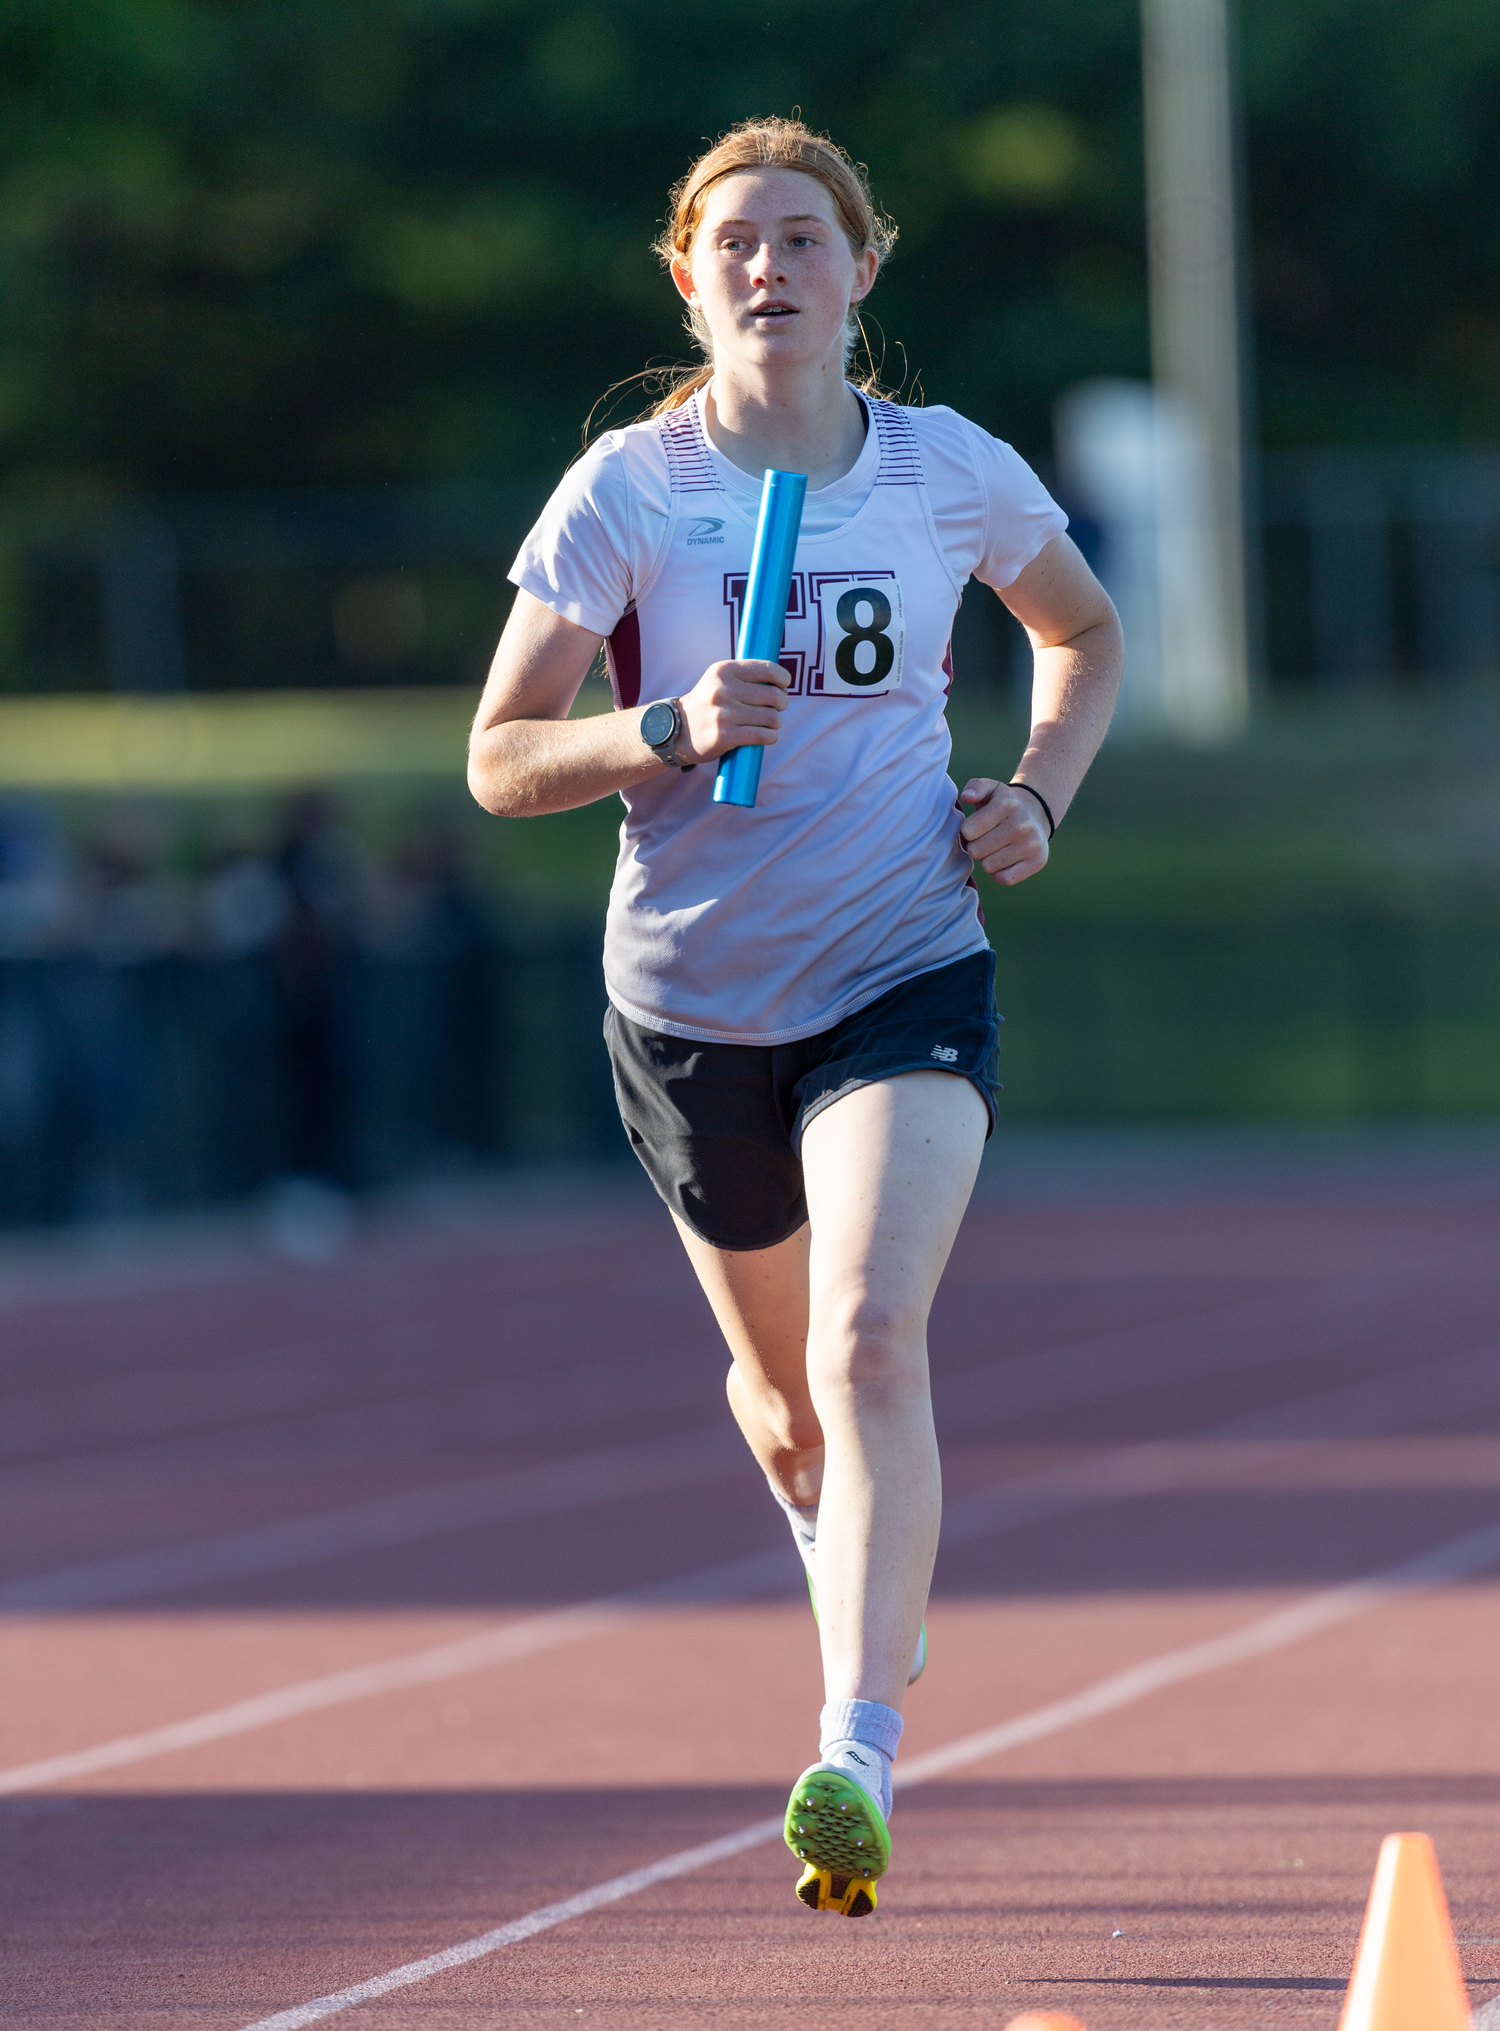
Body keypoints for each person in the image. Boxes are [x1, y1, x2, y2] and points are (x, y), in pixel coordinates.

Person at [468, 117, 1122, 1917]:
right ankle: (855, 1570)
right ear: (688, 278)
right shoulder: (629, 491)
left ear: (864, 269)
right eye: (737, 242)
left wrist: (1037, 799)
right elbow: (500, 759)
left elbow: (1082, 635)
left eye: (804, 240)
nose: (771, 268)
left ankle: (854, 1750)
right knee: (781, 1410)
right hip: (686, 998)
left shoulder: (944, 472)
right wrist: (662, 730)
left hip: (902, 962)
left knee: (868, 1345)